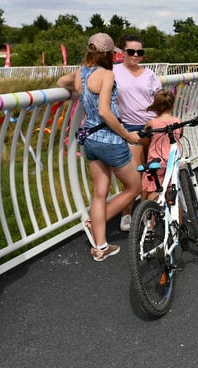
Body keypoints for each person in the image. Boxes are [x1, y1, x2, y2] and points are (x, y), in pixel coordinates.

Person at [57, 33, 141, 262]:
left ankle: (101, 246)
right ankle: (96, 223)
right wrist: (128, 136)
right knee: (134, 187)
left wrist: (73, 86)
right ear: (108, 53)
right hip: (110, 140)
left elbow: (60, 83)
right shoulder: (106, 75)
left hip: (90, 140)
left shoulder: (82, 73)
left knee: (99, 193)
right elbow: (105, 111)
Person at [113, 34, 161, 231]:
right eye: (131, 51)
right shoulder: (114, 72)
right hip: (129, 129)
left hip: (151, 127)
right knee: (133, 176)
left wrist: (157, 119)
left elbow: (159, 101)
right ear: (122, 52)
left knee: (150, 174)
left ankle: (145, 213)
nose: (135, 55)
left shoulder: (150, 75)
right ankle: (127, 213)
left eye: (139, 52)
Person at [140, 89, 181, 204]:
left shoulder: (152, 123)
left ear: (156, 107)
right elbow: (180, 136)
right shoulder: (178, 121)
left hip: (156, 162)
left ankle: (148, 220)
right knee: (173, 198)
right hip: (172, 163)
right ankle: (176, 221)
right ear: (173, 105)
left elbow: (144, 141)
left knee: (152, 193)